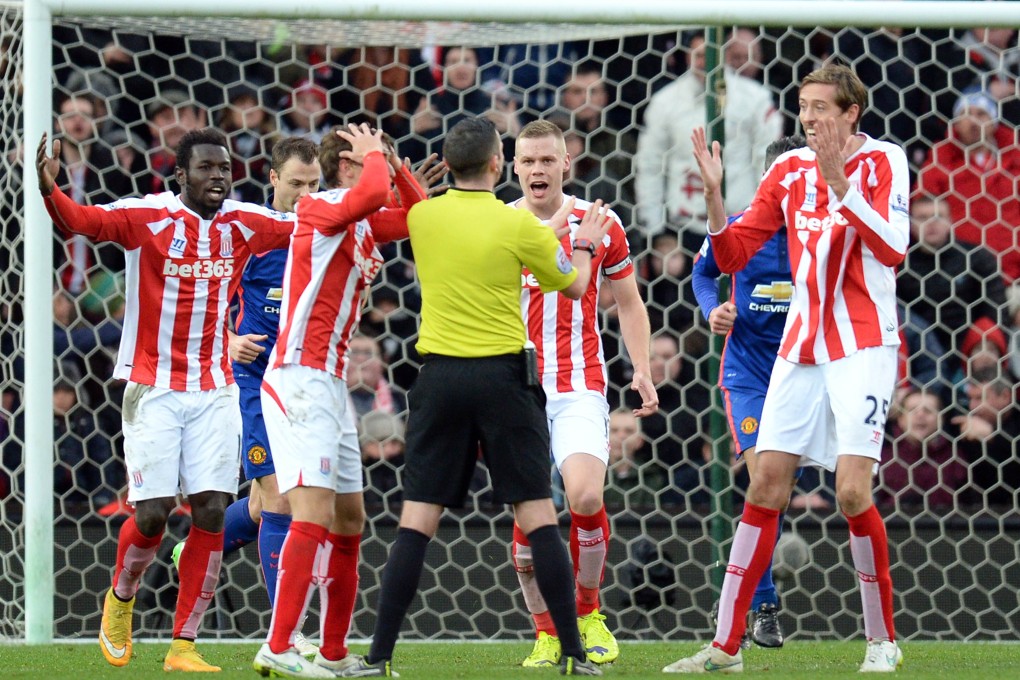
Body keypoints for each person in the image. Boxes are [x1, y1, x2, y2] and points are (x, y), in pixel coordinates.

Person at [341, 116, 612, 677]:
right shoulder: (518, 226)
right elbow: (577, 284)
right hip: (503, 382)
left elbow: (406, 202)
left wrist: (389, 166)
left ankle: (378, 656)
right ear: (498, 165)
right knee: (538, 515)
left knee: (415, 521)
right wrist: (582, 242)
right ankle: (574, 654)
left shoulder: (422, 216)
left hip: (438, 380)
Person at [669, 63, 909, 673]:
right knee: (764, 483)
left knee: (852, 492)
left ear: (852, 112)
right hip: (800, 347)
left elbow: (893, 249)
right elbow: (730, 254)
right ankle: (726, 647)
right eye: (803, 106)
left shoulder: (885, 162)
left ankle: (882, 641)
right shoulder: (786, 169)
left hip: (862, 344)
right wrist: (718, 196)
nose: (808, 117)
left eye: (821, 107)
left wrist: (838, 181)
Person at [37, 127, 298, 671]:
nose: (218, 177)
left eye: (224, 168)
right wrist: (49, 190)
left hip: (216, 385)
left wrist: (391, 198)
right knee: (153, 513)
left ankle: (184, 644)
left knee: (209, 507)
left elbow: (317, 229)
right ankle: (121, 597)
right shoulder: (146, 216)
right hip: (153, 385)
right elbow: (82, 221)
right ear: (180, 174)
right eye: (205, 168)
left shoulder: (245, 222)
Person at [251, 123, 426, 678]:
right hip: (298, 376)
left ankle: (332, 652)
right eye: (369, 157)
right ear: (347, 165)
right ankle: (278, 644)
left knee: (350, 519)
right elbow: (374, 193)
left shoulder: (362, 220)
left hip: (330, 384)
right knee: (313, 511)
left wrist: (394, 165)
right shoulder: (319, 206)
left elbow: (419, 219)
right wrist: (379, 164)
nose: (380, 164)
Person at [506, 119, 658, 667]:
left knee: (586, 498)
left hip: (578, 382)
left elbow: (631, 301)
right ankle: (546, 631)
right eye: (528, 161)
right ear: (513, 167)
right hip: (516, 388)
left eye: (548, 160)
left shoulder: (600, 222)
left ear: (566, 163)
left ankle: (588, 611)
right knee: (529, 518)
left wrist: (640, 367)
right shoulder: (500, 224)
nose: (538, 170)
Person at [169, 136, 324, 657]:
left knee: (262, 506)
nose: (305, 194)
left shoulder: (320, 232)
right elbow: (209, 298)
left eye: (314, 184)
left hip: (302, 385)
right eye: (296, 184)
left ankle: (189, 549)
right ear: (273, 180)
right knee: (280, 498)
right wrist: (230, 339)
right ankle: (289, 635)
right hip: (251, 383)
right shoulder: (248, 234)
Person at [690, 134, 806, 650]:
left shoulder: (817, 235)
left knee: (775, 495)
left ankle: (742, 592)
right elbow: (702, 273)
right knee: (763, 479)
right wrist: (711, 309)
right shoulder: (740, 228)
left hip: (802, 374)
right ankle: (762, 606)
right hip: (749, 374)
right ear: (767, 180)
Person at [634, 32, 781, 252]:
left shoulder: (754, 98)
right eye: (699, 55)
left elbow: (766, 161)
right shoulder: (665, 102)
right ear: (687, 57)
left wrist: (763, 220)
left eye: (711, 54)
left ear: (725, 54)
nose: (705, 61)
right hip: (683, 228)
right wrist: (654, 231)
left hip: (741, 221)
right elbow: (650, 165)